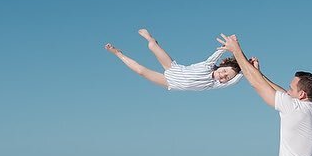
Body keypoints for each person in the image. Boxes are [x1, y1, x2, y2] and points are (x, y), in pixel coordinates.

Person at [105, 28, 244, 91]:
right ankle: (150, 38)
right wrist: (233, 46)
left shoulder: (213, 84)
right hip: (173, 68)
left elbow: (238, 77)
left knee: (141, 71)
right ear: (222, 66)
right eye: (225, 71)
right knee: (152, 45)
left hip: (170, 82)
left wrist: (250, 68)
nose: (223, 76)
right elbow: (219, 52)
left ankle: (118, 53)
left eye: (226, 78)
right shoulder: (208, 66)